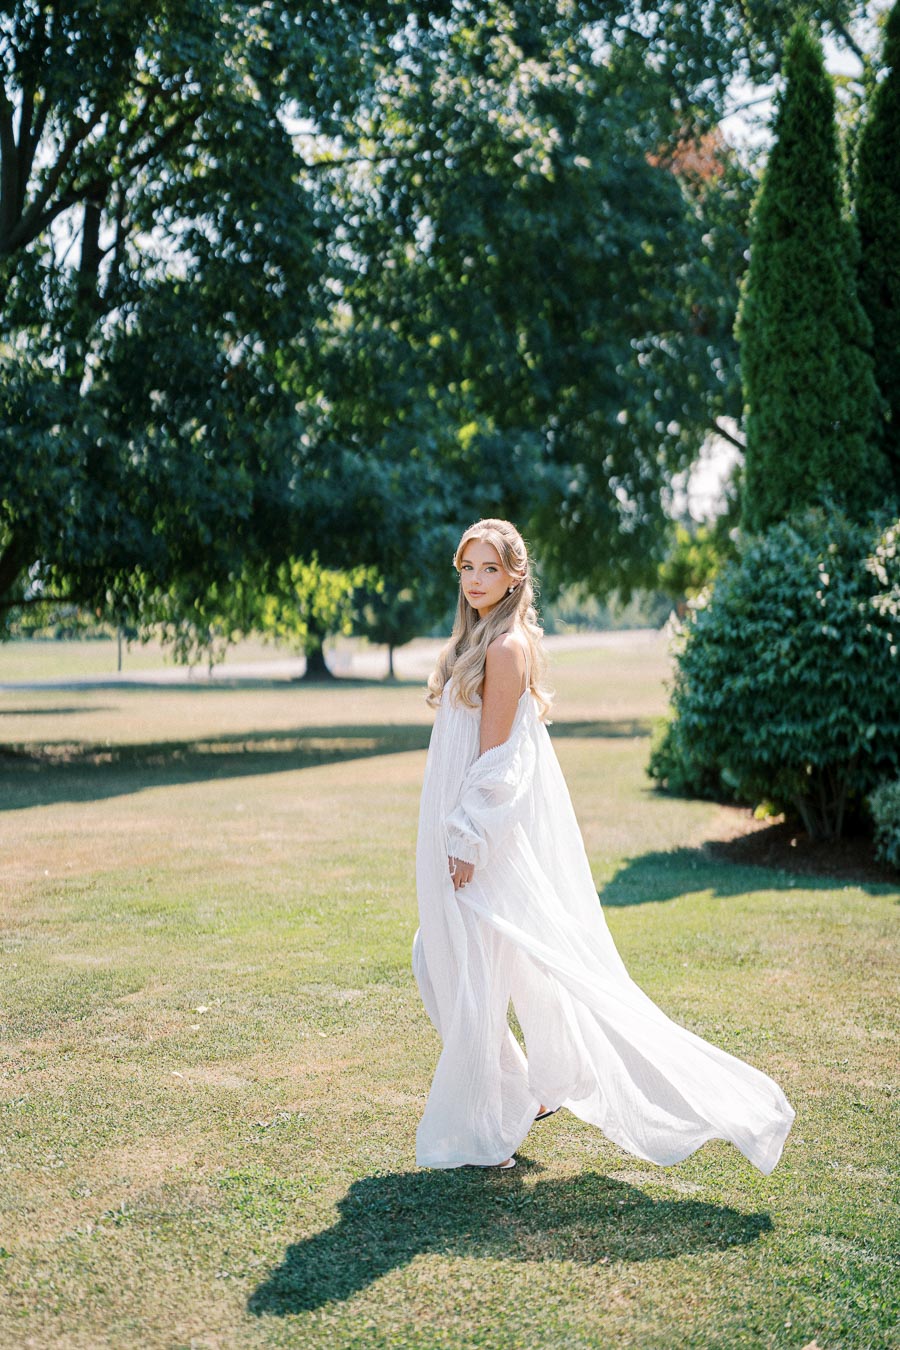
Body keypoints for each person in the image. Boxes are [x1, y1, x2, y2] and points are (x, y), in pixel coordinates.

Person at [411, 517, 795, 1173]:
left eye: (489, 569)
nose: (475, 580)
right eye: (467, 568)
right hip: (454, 830)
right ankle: (518, 1094)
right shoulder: (474, 641)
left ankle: (488, 1132)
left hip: (480, 840)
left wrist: (469, 838)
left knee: (466, 974)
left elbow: (499, 761)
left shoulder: (504, 650)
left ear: (513, 578)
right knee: (438, 959)